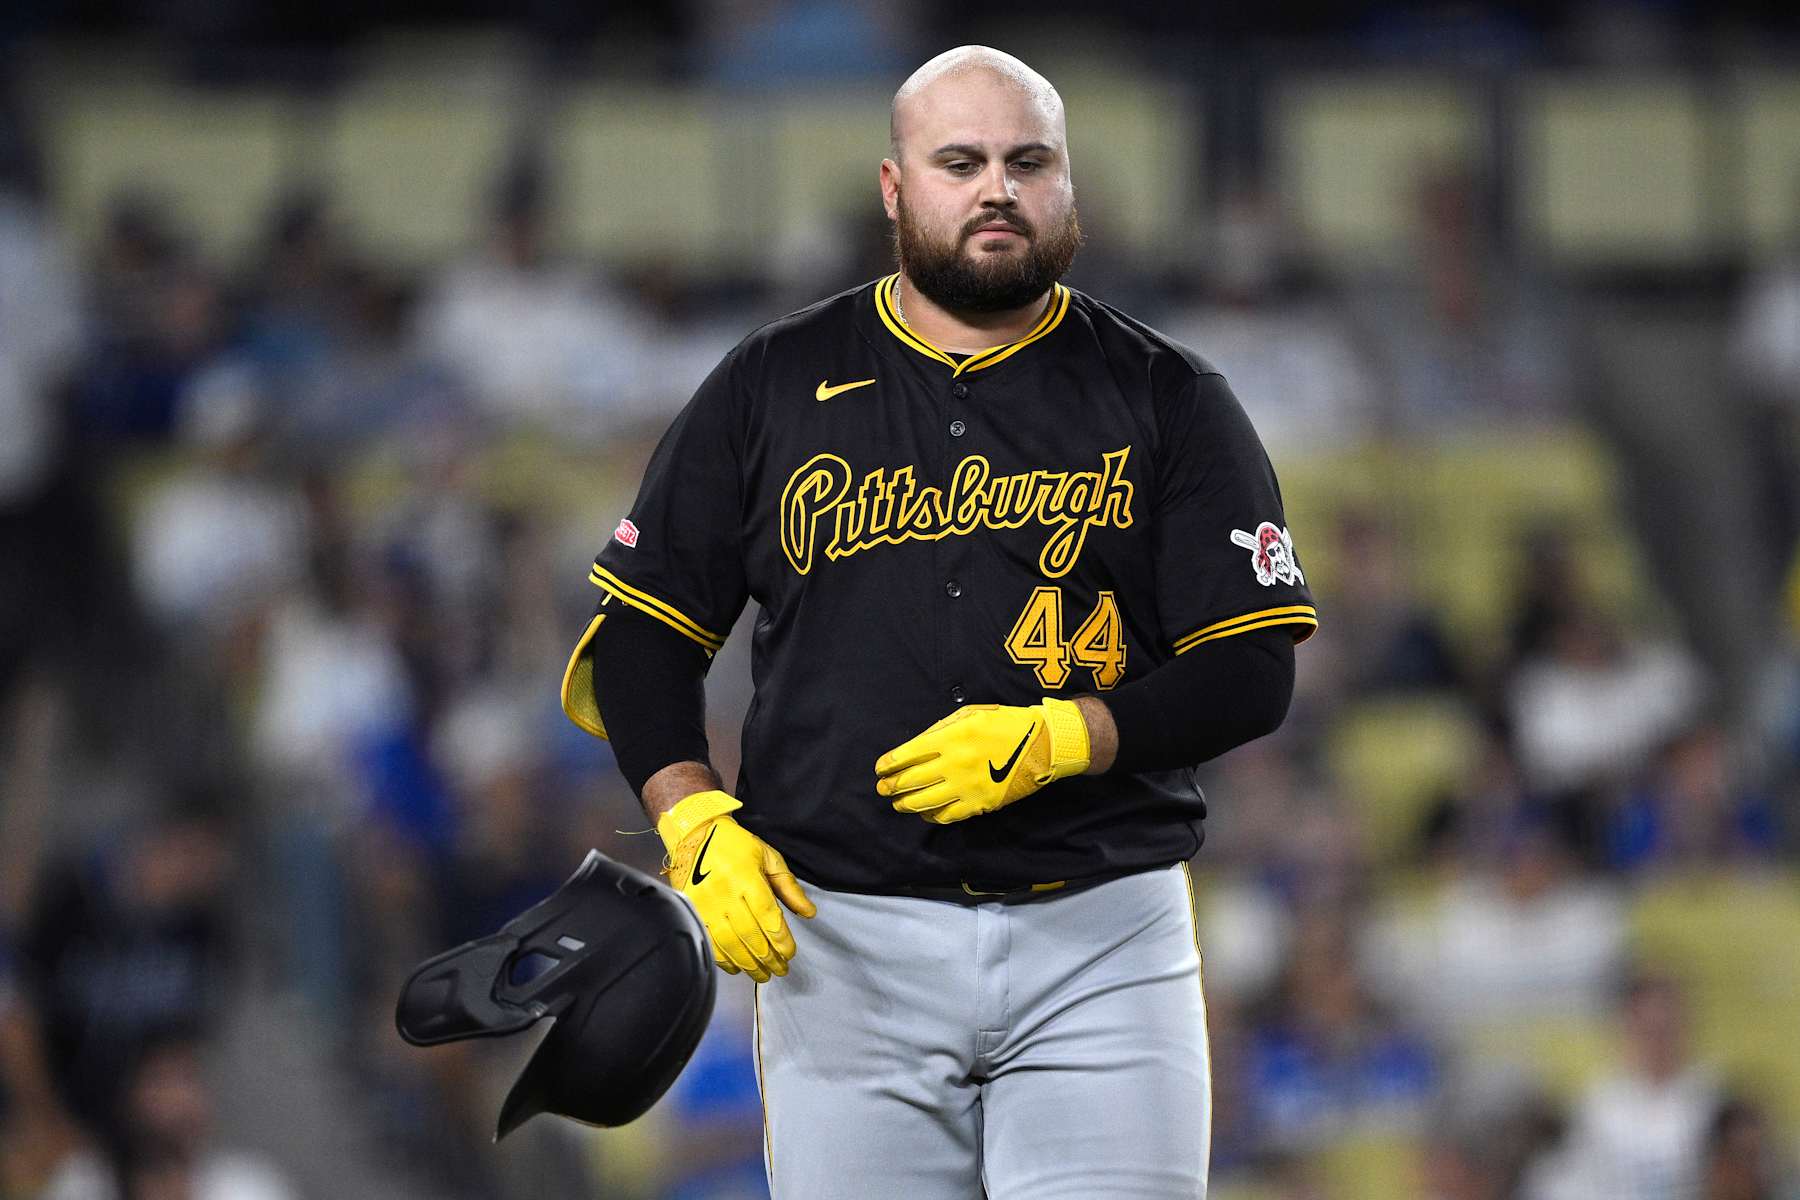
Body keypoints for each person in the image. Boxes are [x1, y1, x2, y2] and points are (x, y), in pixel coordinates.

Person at [561, 45, 1316, 1197]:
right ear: (894, 187)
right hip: (844, 940)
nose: (996, 188)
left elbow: (1252, 671)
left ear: (1070, 188)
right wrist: (694, 820)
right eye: (959, 161)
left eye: (1028, 161)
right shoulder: (771, 382)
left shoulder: (1169, 395)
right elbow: (643, 638)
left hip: (1100, 936)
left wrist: (1072, 737)